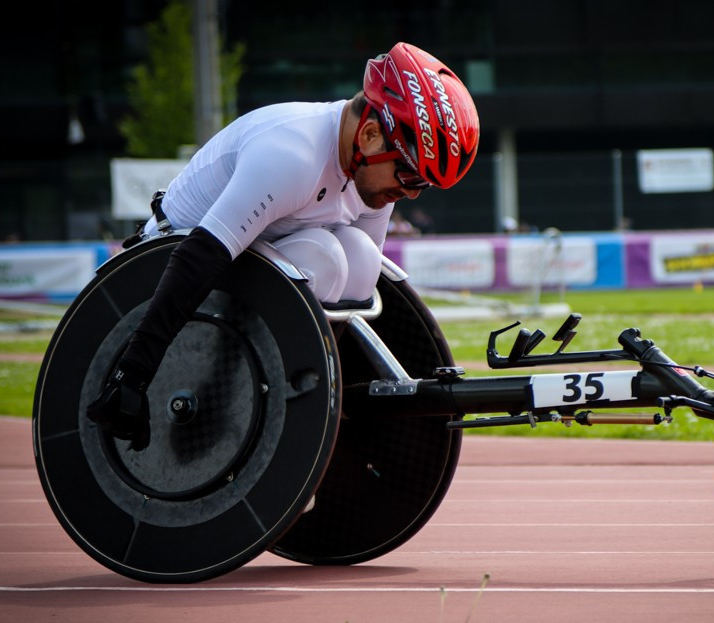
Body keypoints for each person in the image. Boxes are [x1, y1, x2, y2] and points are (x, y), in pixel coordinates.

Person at [86, 42, 480, 450]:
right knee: (325, 258)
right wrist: (130, 376)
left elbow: (356, 292)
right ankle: (251, 411)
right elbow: (197, 258)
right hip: (171, 266)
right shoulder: (293, 153)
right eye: (411, 176)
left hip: (245, 275)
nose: (412, 195)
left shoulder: (373, 178)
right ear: (370, 134)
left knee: (362, 257)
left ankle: (302, 411)